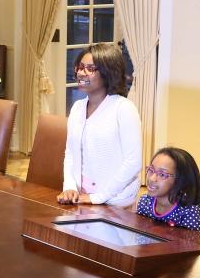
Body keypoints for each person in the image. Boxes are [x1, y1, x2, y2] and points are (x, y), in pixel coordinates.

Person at [58, 42, 142, 207]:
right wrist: (69, 187)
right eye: (80, 67)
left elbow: (134, 162)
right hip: (81, 197)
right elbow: (71, 153)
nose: (81, 73)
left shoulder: (123, 108)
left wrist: (98, 197)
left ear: (107, 73)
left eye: (90, 69)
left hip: (114, 200)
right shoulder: (77, 108)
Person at [135, 146, 200, 231]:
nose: (152, 178)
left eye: (162, 174)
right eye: (151, 170)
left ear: (180, 180)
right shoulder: (145, 202)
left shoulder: (191, 212)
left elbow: (192, 240)